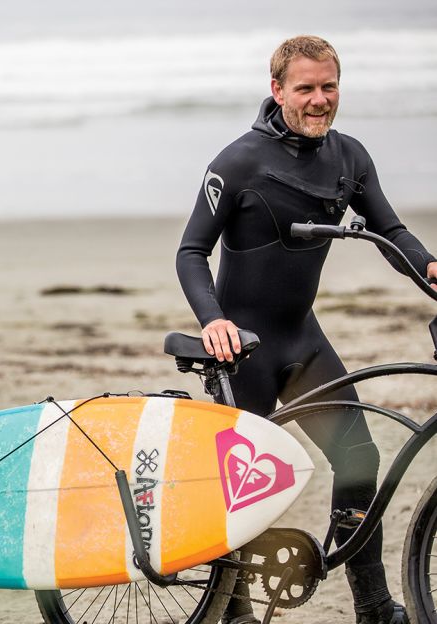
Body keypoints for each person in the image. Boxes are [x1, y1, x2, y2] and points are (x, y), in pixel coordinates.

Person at [176, 36, 434, 624]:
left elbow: (389, 229)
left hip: (302, 340)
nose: (319, 100)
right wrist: (214, 319)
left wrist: (429, 266)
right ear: (277, 91)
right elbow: (191, 252)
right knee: (237, 492)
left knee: (359, 460)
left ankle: (372, 607)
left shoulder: (349, 157)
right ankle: (235, 610)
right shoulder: (238, 161)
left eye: (329, 87)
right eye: (305, 88)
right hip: (244, 351)